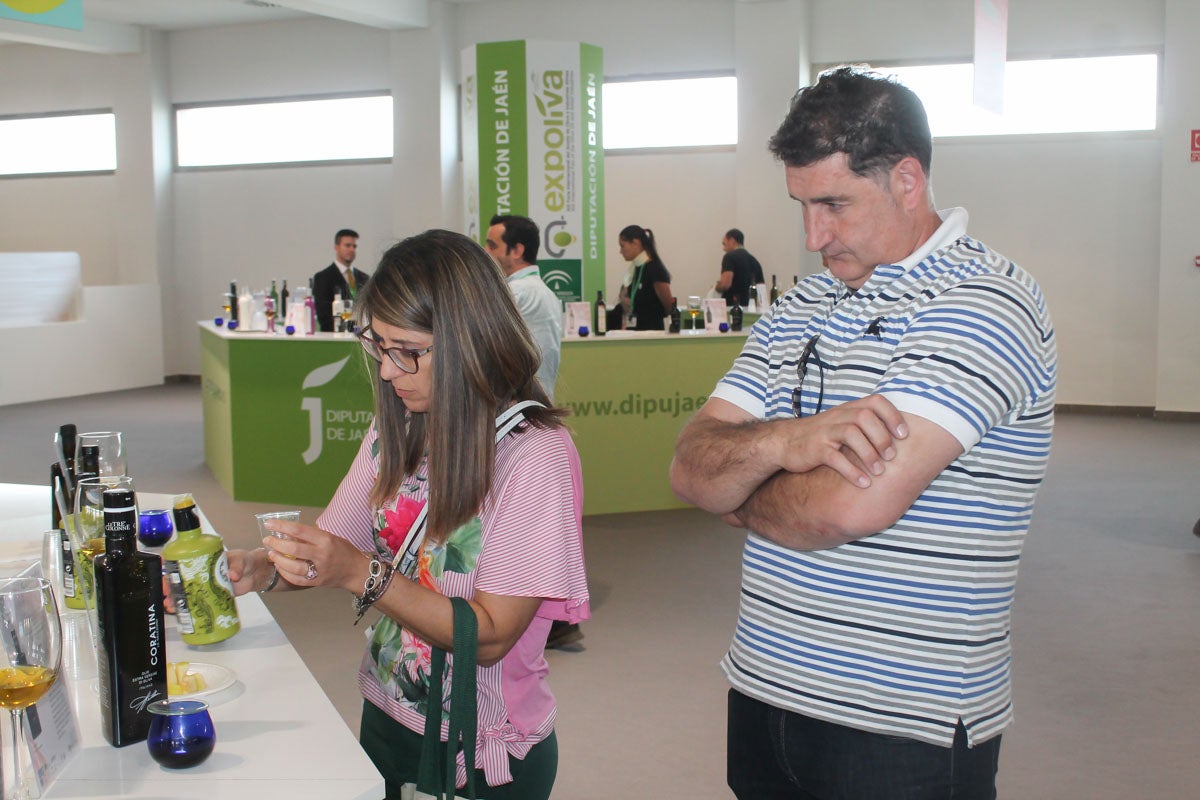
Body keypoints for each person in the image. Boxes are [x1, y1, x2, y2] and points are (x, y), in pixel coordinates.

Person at [670, 66, 1057, 800]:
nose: (815, 235)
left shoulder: (985, 303)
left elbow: (847, 509)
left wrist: (743, 493)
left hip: (901, 725)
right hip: (763, 688)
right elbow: (690, 466)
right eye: (802, 206)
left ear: (907, 181)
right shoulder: (803, 305)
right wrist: (789, 444)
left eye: (835, 204)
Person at [229, 229, 590, 800]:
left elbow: (491, 634)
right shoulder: (397, 424)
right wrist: (259, 568)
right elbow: (333, 543)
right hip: (388, 714)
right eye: (377, 345)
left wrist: (359, 573)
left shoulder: (532, 453)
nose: (388, 371)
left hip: (481, 749)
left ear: (467, 340)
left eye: (406, 351)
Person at [484, 215, 562, 402]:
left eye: (493, 246)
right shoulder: (542, 292)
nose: (486, 252)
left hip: (518, 406)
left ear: (517, 250)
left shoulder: (518, 292)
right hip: (528, 404)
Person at [615, 224, 672, 331]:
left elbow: (669, 307)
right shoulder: (635, 269)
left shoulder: (655, 269)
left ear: (635, 243)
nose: (620, 251)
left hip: (652, 335)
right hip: (635, 332)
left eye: (622, 246)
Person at [313, 228, 371, 332]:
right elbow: (323, 314)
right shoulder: (323, 277)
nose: (352, 249)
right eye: (347, 245)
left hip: (362, 336)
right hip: (334, 337)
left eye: (354, 246)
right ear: (336, 247)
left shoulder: (365, 278)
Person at [713, 228, 764, 307]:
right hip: (749, 310)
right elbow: (761, 291)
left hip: (731, 308)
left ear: (732, 241)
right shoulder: (755, 261)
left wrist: (716, 287)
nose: (724, 248)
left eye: (724, 244)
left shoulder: (729, 257)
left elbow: (725, 284)